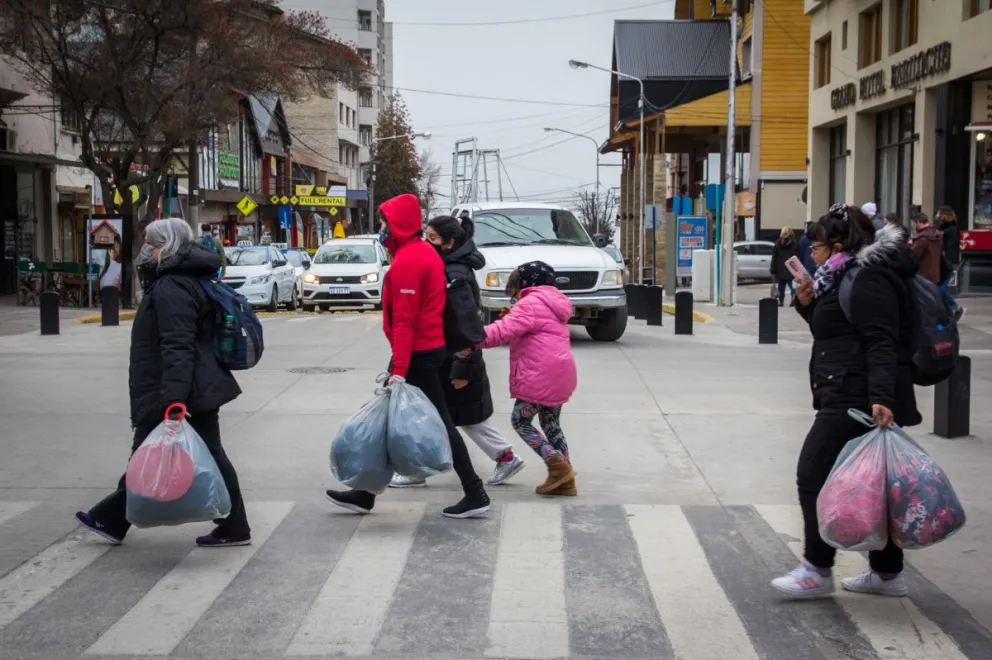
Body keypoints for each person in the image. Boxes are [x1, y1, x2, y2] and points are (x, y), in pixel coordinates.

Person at [772, 204, 921, 599]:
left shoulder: (868, 277)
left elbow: (881, 339)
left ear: (838, 246)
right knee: (872, 481)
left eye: (816, 247)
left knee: (812, 474)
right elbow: (834, 330)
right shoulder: (840, 276)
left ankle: (817, 569)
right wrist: (807, 303)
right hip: (845, 387)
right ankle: (887, 574)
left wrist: (881, 398)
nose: (811, 254)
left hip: (856, 394)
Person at [75, 218, 250, 547]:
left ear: (167, 246)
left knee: (152, 453)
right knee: (195, 453)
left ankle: (114, 518)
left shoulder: (172, 287)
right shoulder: (186, 280)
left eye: (152, 244)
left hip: (178, 388)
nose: (147, 250)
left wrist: (173, 398)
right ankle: (114, 519)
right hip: (189, 385)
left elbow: (178, 344)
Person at [325, 194, 491, 519]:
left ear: (397, 225)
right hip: (426, 349)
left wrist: (399, 369)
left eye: (384, 223)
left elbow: (404, 320)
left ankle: (475, 492)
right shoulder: (423, 252)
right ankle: (365, 493)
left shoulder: (408, 261)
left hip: (418, 354)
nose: (382, 230)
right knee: (390, 422)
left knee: (440, 423)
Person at [389, 214, 526, 489]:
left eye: (432, 238)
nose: (427, 242)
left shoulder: (454, 274)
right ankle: (504, 457)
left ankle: (419, 470)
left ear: (449, 242)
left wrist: (463, 364)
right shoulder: (448, 266)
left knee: (446, 415)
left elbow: (464, 323)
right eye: (425, 235)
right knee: (453, 415)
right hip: (446, 354)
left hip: (453, 356)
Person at [475, 261, 579, 496]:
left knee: (520, 421)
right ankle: (566, 480)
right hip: (561, 372)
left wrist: (471, 337)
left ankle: (558, 469)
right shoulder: (555, 302)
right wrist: (514, 315)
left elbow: (500, 332)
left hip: (540, 374)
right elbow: (530, 326)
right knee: (551, 424)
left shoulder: (529, 304)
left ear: (525, 283)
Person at [936, 205, 965, 322]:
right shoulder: (943, 229)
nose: (937, 216)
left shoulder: (951, 230)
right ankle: (946, 312)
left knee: (941, 290)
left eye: (939, 213)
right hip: (943, 262)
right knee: (939, 289)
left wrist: (948, 262)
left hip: (947, 263)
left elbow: (951, 248)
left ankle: (956, 308)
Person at [909, 212, 943, 285]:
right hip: (936, 275)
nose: (914, 227)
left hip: (923, 276)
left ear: (918, 222)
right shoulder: (937, 234)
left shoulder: (922, 239)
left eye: (914, 224)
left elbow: (912, 256)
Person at [770, 227, 802, 306]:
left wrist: (772, 269)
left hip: (780, 268)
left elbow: (774, 257)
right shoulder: (795, 244)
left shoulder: (777, 243)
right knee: (792, 285)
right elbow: (798, 256)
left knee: (781, 286)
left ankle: (781, 301)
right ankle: (793, 296)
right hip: (791, 268)